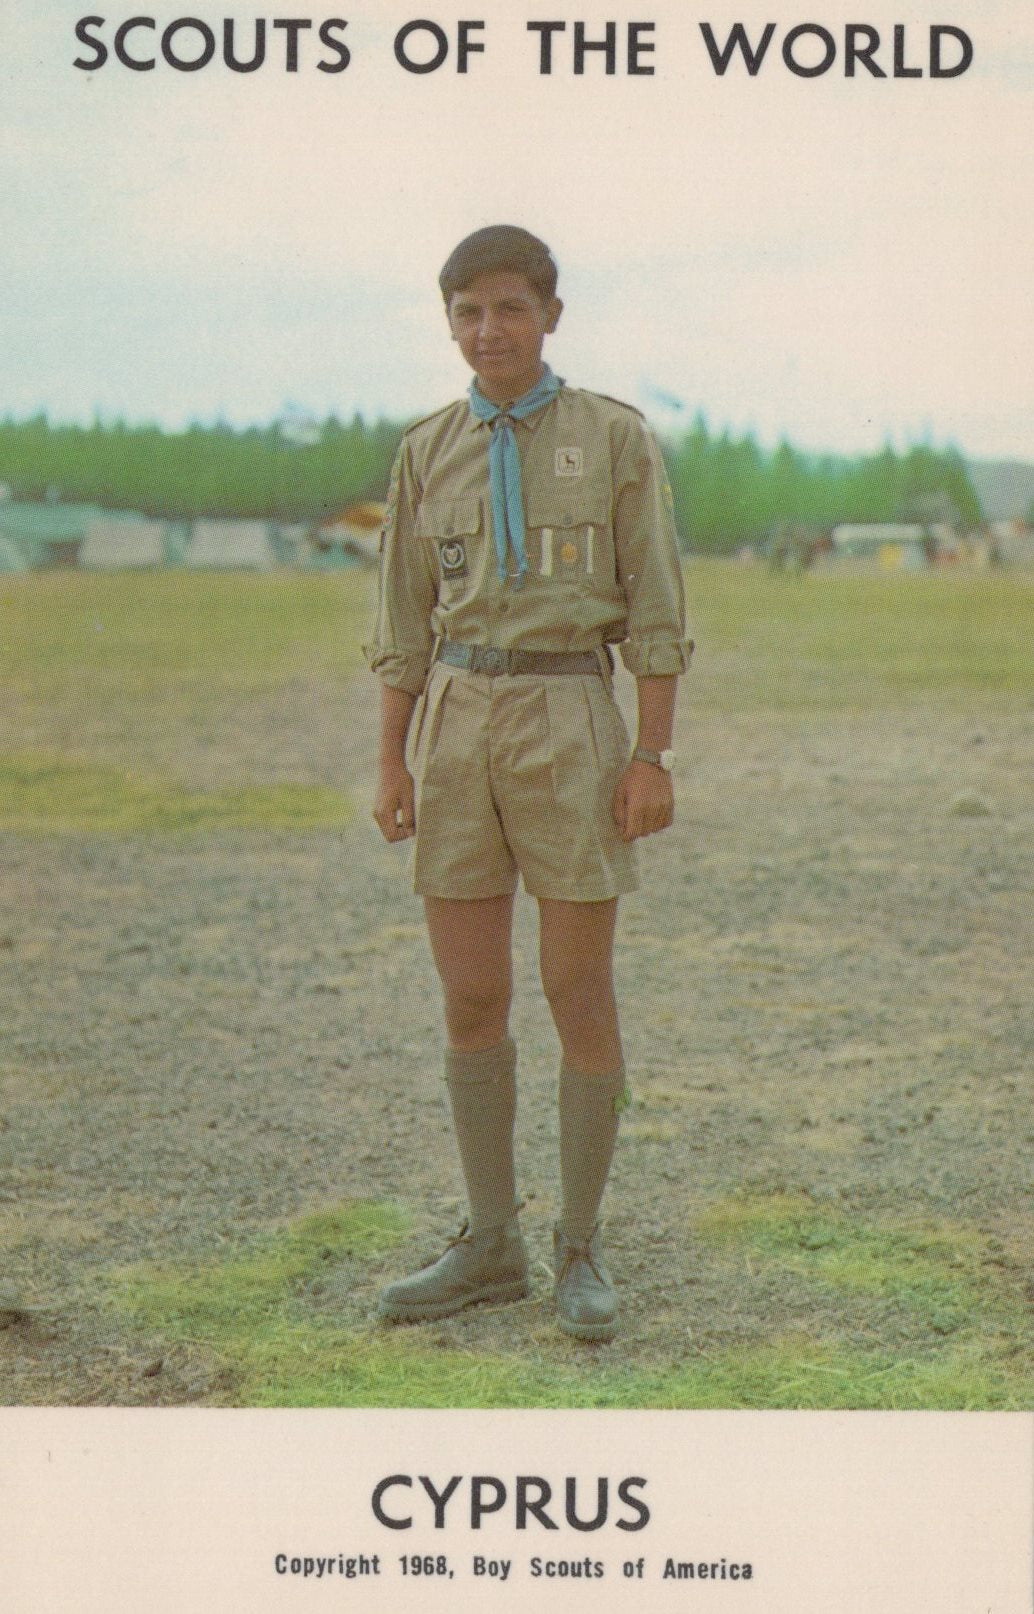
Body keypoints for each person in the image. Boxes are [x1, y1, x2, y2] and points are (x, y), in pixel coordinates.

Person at [365, 225, 691, 1341]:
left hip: (569, 718)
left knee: (574, 990)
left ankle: (578, 1245)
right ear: (448, 322)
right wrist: (390, 761)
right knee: (469, 995)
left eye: (508, 308)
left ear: (550, 314)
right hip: (457, 723)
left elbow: (654, 606)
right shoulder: (425, 451)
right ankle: (488, 1240)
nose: (486, 331)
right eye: (466, 312)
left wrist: (649, 754)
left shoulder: (612, 438)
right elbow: (403, 622)